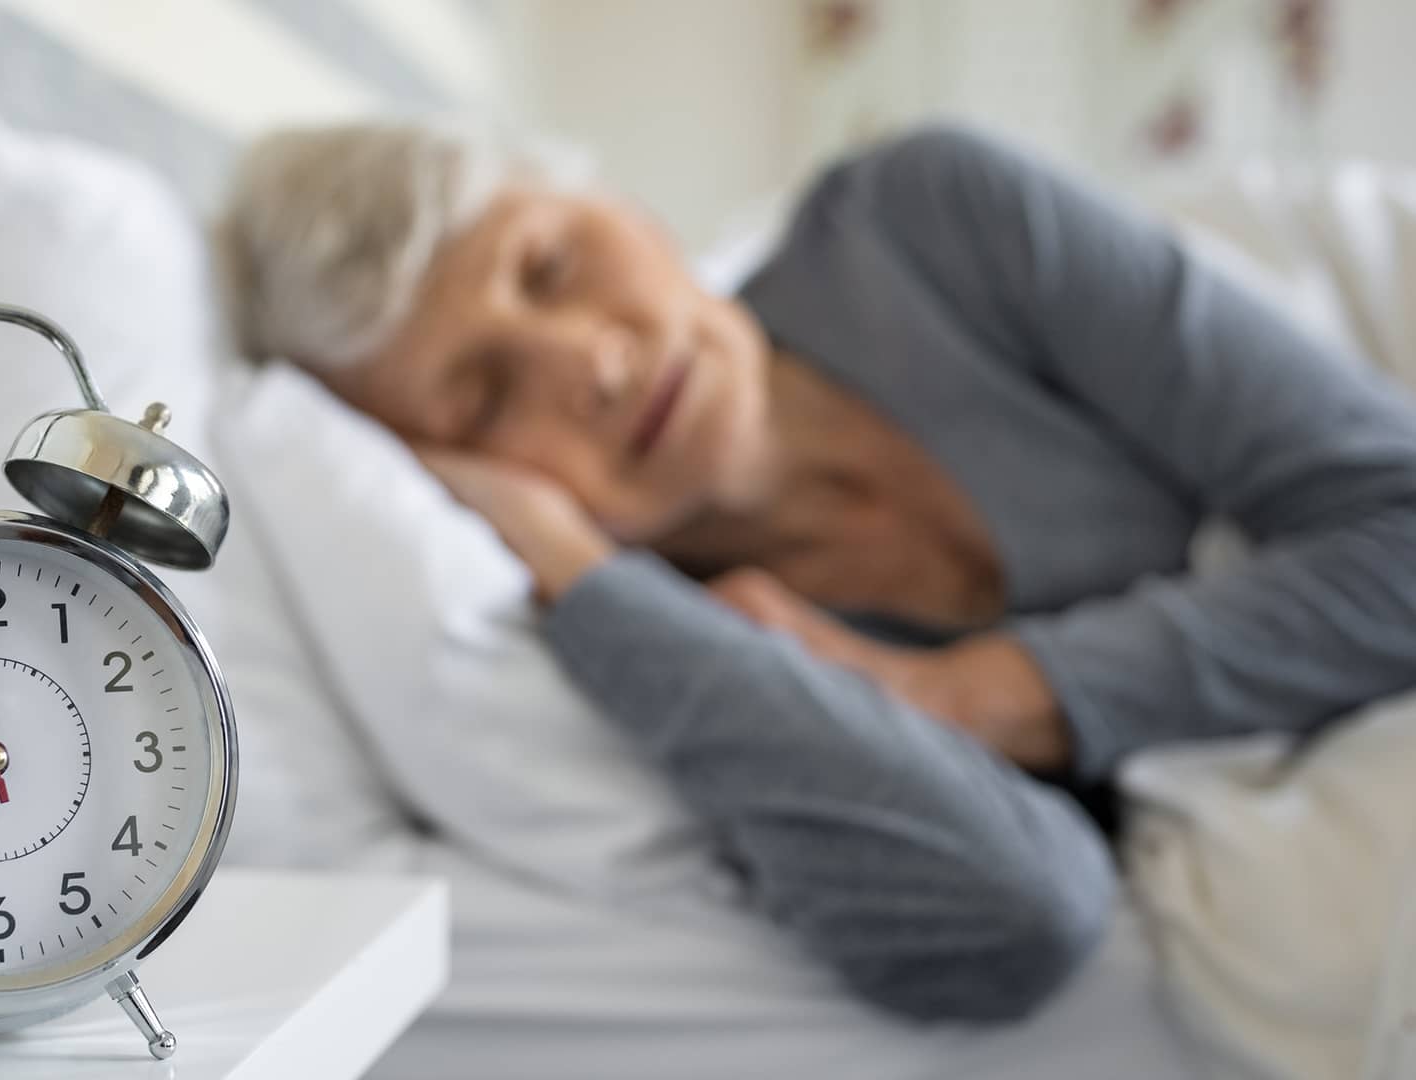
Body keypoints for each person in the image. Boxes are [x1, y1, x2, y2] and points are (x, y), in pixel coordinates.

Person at [216, 123, 1416, 1023]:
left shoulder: (927, 220)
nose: (590, 363)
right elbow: (1018, 915)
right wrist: (583, 573)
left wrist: (963, 696)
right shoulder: (679, 655)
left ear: (625, 208)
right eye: (483, 398)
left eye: (550, 269)